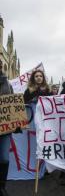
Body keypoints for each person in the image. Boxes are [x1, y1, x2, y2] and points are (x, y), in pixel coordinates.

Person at [0, 60, 14, 196]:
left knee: (4, 158)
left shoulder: (7, 84)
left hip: (4, 127)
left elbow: (13, 103)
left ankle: (2, 186)